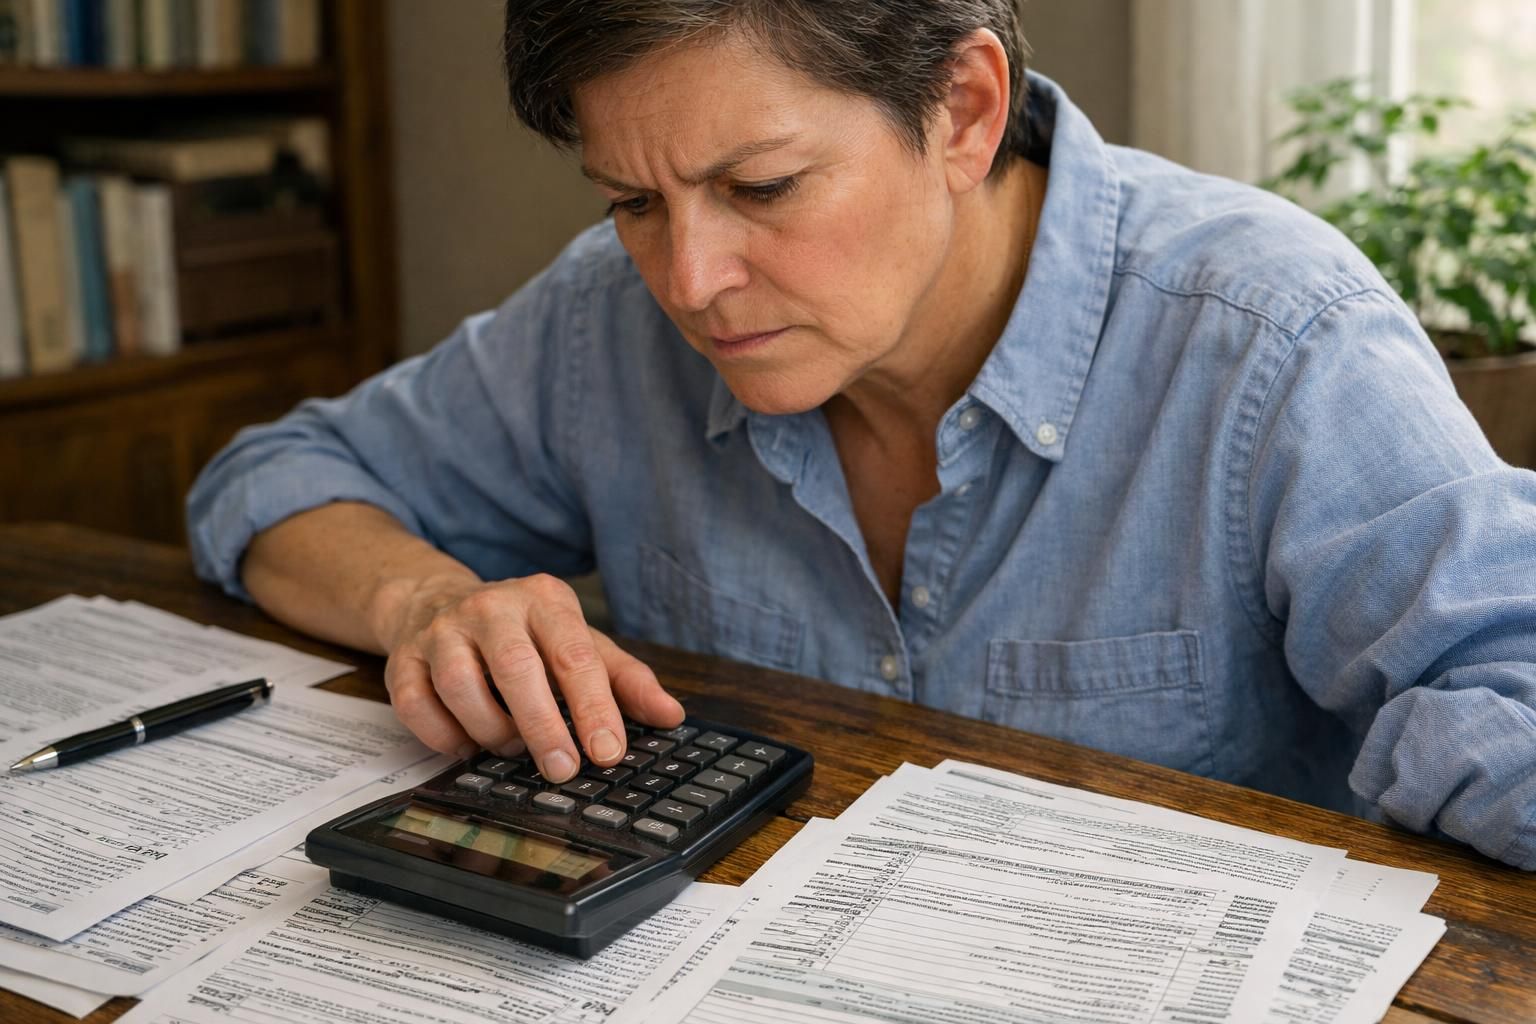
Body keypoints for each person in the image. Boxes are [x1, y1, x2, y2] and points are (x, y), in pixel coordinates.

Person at [187, 0, 1536, 870]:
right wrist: (427, 599)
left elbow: (1510, 686)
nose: (690, 278)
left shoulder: (1274, 336)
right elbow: (270, 482)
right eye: (631, 200)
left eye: (759, 188)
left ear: (963, 110)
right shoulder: (606, 322)